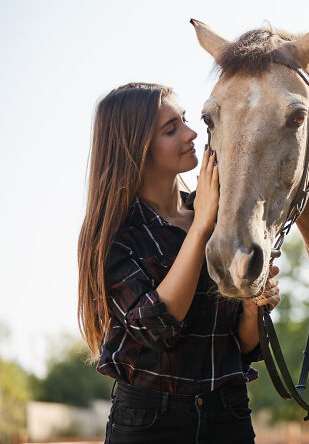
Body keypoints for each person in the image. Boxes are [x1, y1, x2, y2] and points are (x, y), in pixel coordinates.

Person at [77, 82, 280, 444]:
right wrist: (200, 225)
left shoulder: (222, 220)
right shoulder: (115, 236)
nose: (191, 134)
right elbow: (158, 327)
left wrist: (253, 307)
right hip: (150, 423)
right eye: (171, 129)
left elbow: (245, 347)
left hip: (228, 416)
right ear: (137, 148)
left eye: (185, 120)